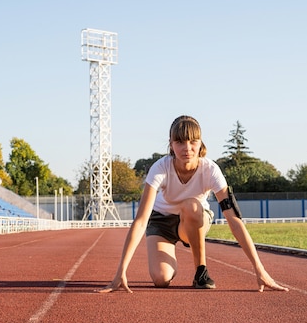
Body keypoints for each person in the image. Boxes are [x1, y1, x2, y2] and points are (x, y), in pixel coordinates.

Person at [98, 115, 289, 293]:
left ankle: (201, 272)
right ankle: (168, 259)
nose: (187, 148)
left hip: (193, 219)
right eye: (180, 141)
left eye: (193, 141)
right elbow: (141, 221)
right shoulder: (160, 168)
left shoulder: (211, 170)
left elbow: (234, 220)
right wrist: (121, 271)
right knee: (161, 279)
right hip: (161, 222)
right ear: (171, 144)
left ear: (200, 143)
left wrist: (259, 269)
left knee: (191, 204)